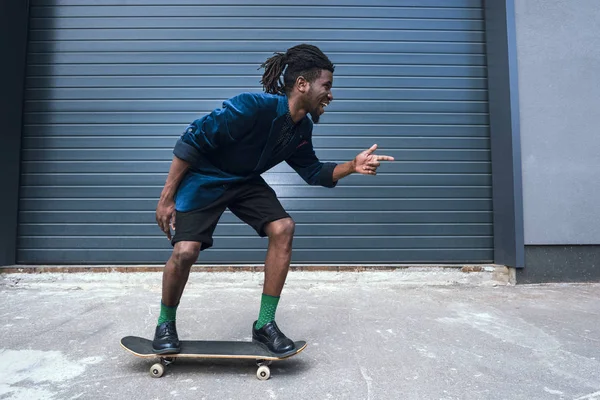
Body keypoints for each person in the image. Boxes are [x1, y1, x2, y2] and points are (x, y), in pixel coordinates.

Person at [153, 44, 394, 355]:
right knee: (185, 251)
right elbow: (191, 139)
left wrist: (351, 166)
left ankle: (264, 325)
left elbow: (312, 171)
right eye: (327, 86)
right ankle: (164, 322)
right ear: (302, 84)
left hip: (244, 181)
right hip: (205, 178)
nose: (331, 95)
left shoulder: (300, 128)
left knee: (283, 227)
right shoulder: (252, 106)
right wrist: (166, 198)